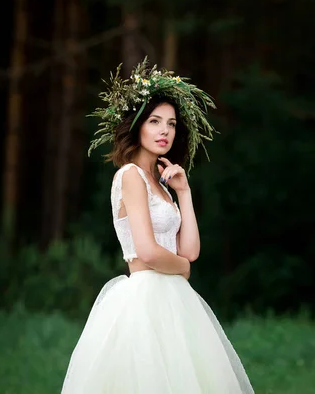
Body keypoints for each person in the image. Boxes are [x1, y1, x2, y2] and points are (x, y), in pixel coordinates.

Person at [61, 58, 254, 393]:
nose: (165, 131)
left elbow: (190, 250)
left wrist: (184, 191)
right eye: (155, 121)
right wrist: (181, 268)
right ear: (138, 126)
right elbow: (148, 252)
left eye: (172, 124)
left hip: (176, 300)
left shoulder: (163, 185)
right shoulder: (130, 176)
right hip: (145, 298)